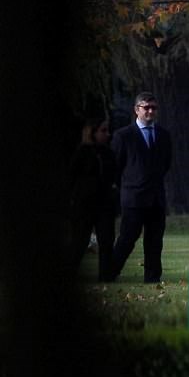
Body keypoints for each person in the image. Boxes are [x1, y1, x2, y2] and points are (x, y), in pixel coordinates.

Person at [107, 92, 173, 283]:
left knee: (155, 240)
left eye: (154, 108)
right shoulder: (123, 136)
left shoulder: (163, 135)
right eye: (146, 107)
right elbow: (115, 167)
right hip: (133, 198)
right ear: (137, 110)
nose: (150, 111)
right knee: (127, 239)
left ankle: (152, 278)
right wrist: (129, 186)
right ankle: (109, 273)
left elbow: (166, 164)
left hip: (156, 198)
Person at [67, 117, 118, 281]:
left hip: (104, 205)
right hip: (84, 205)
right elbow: (71, 178)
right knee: (79, 242)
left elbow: (114, 176)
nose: (107, 134)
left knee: (106, 241)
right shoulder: (82, 153)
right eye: (103, 131)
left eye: (107, 130)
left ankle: (106, 276)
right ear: (93, 132)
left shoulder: (108, 153)